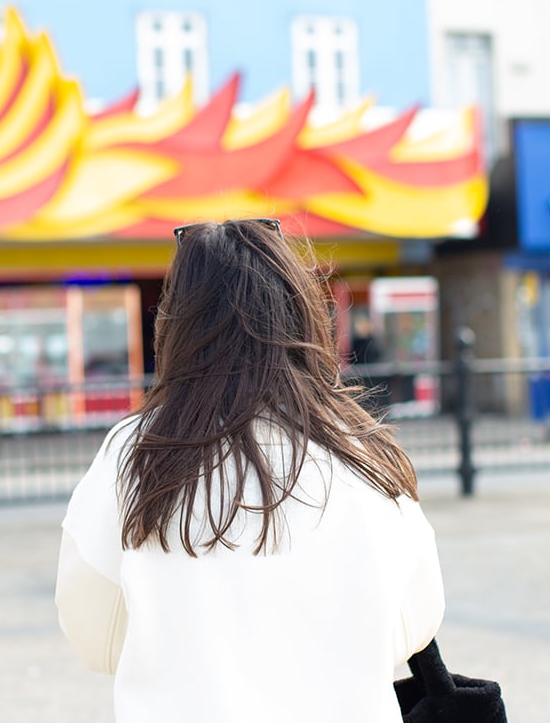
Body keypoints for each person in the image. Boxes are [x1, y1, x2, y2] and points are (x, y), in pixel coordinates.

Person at [56, 219, 445, 722]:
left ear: (177, 324)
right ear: (301, 315)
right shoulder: (361, 447)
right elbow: (414, 623)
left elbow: (95, 635)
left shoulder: (133, 451)